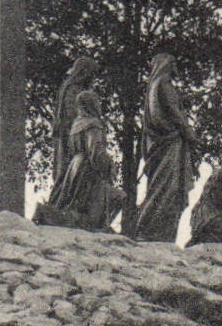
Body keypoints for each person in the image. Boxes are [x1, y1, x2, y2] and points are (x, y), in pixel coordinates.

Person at [39, 90, 124, 232]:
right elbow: (95, 152)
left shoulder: (76, 124)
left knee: (77, 202)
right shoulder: (93, 124)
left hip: (75, 166)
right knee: (114, 198)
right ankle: (96, 226)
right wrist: (109, 167)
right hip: (88, 169)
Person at [135, 53, 197, 242]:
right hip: (169, 142)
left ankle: (155, 233)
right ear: (166, 65)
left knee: (161, 188)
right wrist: (186, 130)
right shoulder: (163, 84)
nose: (175, 68)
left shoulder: (155, 85)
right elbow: (172, 111)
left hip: (161, 142)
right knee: (168, 189)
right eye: (172, 64)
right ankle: (155, 233)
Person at [49, 56, 100, 200]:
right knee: (68, 175)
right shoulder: (74, 89)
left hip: (71, 137)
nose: (93, 78)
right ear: (84, 72)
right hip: (70, 139)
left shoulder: (70, 87)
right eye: (92, 74)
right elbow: (72, 116)